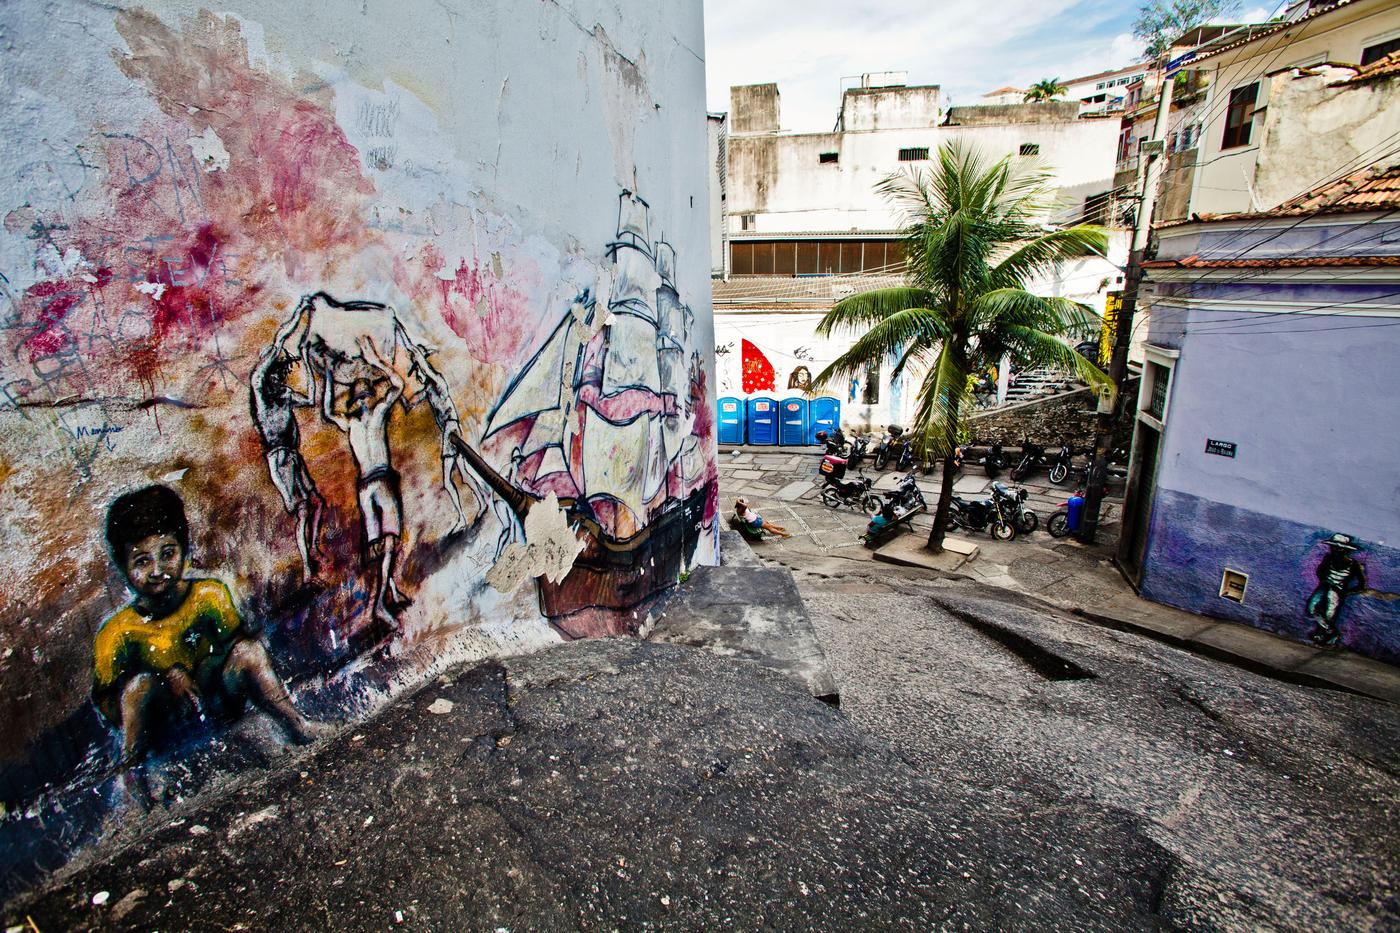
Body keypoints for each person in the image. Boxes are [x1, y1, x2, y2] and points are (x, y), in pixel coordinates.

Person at [93, 485, 328, 774]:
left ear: (184, 549)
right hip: (166, 725)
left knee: (249, 652)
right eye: (142, 561)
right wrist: (163, 684)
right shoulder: (117, 633)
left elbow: (235, 650)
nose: (157, 570)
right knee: (138, 688)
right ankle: (131, 773)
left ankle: (297, 725)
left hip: (216, 702)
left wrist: (202, 670)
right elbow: (108, 703)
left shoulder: (209, 596)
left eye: (167, 553)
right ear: (123, 566)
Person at [322, 337, 410, 630]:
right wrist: (374, 358)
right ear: (369, 397)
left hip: (364, 488)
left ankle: (392, 590)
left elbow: (326, 412)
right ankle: (380, 604)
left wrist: (324, 375)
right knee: (389, 542)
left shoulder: (351, 424)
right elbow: (397, 385)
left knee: (379, 546)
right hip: (381, 481)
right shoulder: (376, 416)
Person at [250, 298, 324, 584]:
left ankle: (314, 547)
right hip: (279, 457)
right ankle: (307, 568)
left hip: (292, 455)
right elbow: (281, 338)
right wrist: (299, 311)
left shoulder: (284, 396)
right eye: (278, 374)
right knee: (303, 510)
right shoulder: (263, 396)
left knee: (316, 503)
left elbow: (311, 399)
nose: (282, 378)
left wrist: (306, 362)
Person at [404, 338, 489, 535]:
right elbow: (411, 402)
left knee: (448, 478)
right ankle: (482, 501)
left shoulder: (437, 382)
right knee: (464, 473)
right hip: (450, 430)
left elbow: (426, 370)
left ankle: (462, 515)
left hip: (451, 429)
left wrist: (417, 355)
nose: (417, 376)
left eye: (418, 371)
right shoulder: (428, 390)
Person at [1306, 533, 1367, 647]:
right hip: (1324, 587)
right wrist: (1325, 581)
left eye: (1338, 548)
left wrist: (1345, 591)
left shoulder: (1353, 565)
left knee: (1329, 615)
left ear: (1344, 550)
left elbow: (1361, 585)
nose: (1334, 550)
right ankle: (1331, 632)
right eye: (1333, 547)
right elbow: (1320, 571)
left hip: (1337, 592)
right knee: (1311, 609)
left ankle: (1324, 635)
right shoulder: (1328, 558)